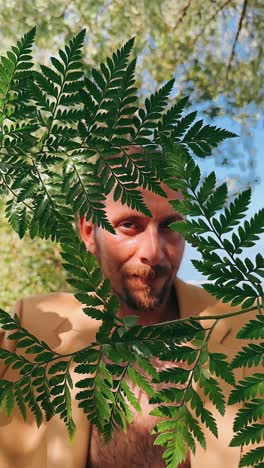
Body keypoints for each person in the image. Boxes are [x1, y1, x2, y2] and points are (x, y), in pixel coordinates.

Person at [0, 178, 258, 468]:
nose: (153, 251)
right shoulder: (30, 327)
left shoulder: (249, 328)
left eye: (170, 226)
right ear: (88, 230)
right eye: (129, 225)